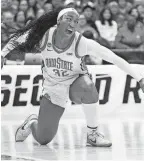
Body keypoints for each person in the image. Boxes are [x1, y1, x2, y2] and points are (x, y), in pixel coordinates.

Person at [1, 7, 144, 147]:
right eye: (69, 19)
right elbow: (18, 38)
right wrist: (2, 55)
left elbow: (114, 58)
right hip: (53, 87)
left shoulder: (82, 43)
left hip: (75, 82)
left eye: (76, 21)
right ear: (58, 22)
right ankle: (32, 121)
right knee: (43, 139)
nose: (73, 24)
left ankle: (92, 134)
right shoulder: (44, 36)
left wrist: (139, 78)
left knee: (88, 87)